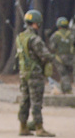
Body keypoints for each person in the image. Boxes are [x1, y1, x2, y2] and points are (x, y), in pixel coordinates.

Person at [17, 9, 58, 137]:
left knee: (25, 100)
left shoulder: (20, 37)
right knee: (36, 102)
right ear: (36, 23)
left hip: (23, 73)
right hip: (35, 74)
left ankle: (23, 127)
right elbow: (45, 55)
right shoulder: (35, 39)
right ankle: (39, 128)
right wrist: (52, 56)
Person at [48, 16, 73, 94]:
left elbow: (52, 47)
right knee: (68, 74)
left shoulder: (55, 35)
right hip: (72, 58)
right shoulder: (72, 34)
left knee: (63, 74)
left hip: (59, 58)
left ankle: (67, 89)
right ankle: (64, 88)